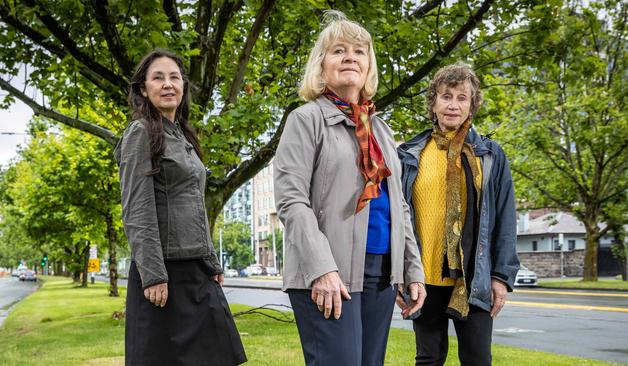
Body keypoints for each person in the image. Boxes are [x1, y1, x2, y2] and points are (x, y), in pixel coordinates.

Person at [274, 11, 426, 366]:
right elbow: (291, 200)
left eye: (359, 51)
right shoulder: (305, 120)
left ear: (369, 64)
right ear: (321, 64)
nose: (350, 58)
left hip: (381, 272)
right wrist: (322, 269)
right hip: (329, 272)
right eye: (338, 50)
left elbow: (399, 205)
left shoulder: (381, 130)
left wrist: (411, 270)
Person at [115, 49, 247, 366]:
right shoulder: (140, 133)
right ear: (143, 89)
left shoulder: (183, 135)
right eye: (157, 77)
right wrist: (153, 276)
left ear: (183, 86)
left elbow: (195, 207)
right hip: (163, 274)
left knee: (217, 358)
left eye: (174, 77)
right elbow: (137, 211)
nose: (168, 84)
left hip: (196, 271)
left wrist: (211, 262)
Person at [397, 62, 519, 365]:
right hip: (423, 280)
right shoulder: (410, 154)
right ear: (434, 102)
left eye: (461, 97)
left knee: (478, 360)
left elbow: (505, 218)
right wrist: (399, 273)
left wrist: (501, 277)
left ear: (472, 104)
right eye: (446, 96)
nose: (453, 105)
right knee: (428, 359)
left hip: (474, 279)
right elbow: (398, 220)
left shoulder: (490, 155)